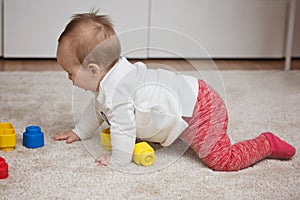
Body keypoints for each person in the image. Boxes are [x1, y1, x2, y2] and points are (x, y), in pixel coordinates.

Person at [52, 11, 296, 171]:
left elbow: (123, 129)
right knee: (138, 123)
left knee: (222, 160)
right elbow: (96, 109)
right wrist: (79, 132)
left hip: (201, 109)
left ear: (94, 70)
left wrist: (117, 160)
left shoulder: (119, 94)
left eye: (70, 73)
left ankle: (266, 143)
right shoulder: (110, 79)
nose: (68, 78)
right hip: (190, 96)